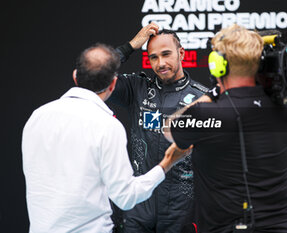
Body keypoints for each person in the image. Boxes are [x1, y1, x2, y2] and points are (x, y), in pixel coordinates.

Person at [22, 43, 192, 233]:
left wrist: (129, 47)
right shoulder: (106, 125)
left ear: (75, 76)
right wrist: (168, 162)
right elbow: (126, 197)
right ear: (113, 85)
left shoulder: (37, 117)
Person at [164, 24, 287, 233]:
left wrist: (213, 93)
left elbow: (169, 129)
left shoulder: (205, 114)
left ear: (218, 65)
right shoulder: (283, 109)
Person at [109, 23, 208, 233]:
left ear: (181, 53)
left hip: (181, 212)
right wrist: (131, 46)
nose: (161, 63)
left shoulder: (203, 98)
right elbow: (95, 76)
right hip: (137, 209)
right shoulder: (136, 88)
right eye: (154, 57)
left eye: (166, 54)